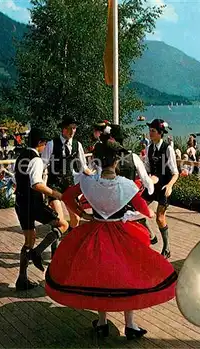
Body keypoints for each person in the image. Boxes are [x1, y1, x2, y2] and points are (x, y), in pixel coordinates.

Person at [44, 140, 177, 339]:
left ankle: (102, 323)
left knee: (99, 278)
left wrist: (84, 214)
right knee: (127, 278)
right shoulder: (126, 185)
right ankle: (130, 325)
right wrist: (126, 216)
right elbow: (145, 212)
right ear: (116, 161)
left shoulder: (88, 182)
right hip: (121, 233)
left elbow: (67, 197)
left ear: (97, 160)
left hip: (95, 231)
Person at [14, 128, 69, 291]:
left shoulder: (21, 157)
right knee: (62, 224)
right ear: (40, 143)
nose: (45, 147)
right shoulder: (36, 159)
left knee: (28, 240)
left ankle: (22, 278)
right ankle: (38, 252)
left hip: (20, 203)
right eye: (44, 144)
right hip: (33, 203)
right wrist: (57, 194)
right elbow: (36, 183)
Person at [41, 117, 93, 254]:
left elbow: (83, 167)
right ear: (63, 129)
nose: (72, 131)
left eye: (74, 128)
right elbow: (42, 165)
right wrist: (39, 185)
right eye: (70, 128)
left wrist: (95, 178)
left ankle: (69, 244)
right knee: (59, 219)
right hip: (54, 185)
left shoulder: (77, 145)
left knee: (76, 217)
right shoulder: (52, 144)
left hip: (69, 184)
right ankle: (55, 249)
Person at [141, 119, 179, 258]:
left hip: (164, 185)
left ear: (160, 133)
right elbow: (147, 168)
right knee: (138, 209)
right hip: (152, 184)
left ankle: (166, 248)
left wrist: (169, 186)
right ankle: (151, 236)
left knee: (160, 217)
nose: (150, 133)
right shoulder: (149, 148)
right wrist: (142, 178)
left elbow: (175, 172)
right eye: (150, 130)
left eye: (153, 131)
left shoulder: (168, 148)